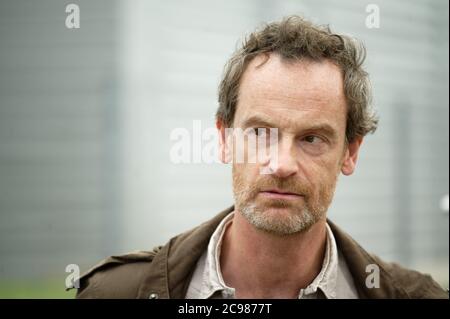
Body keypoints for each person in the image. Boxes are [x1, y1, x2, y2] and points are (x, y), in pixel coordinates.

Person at [74, 16, 447, 299]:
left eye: (312, 138)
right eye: (260, 133)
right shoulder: (117, 292)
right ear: (224, 138)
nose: (281, 164)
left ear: (350, 152)